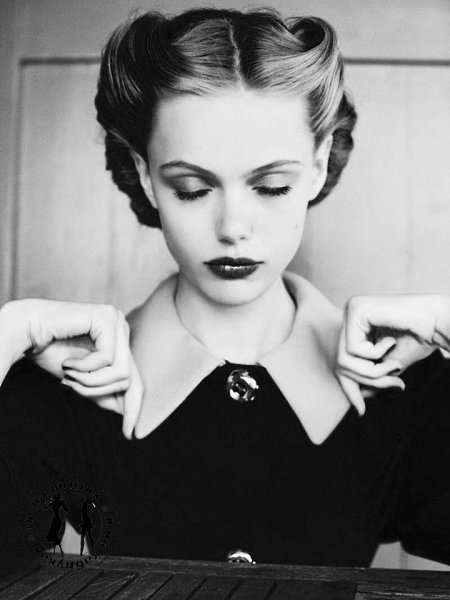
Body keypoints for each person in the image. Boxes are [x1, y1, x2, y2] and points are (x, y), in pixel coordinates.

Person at [0, 7, 449, 570]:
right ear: (146, 176)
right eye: (192, 188)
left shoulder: (401, 386)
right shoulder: (64, 387)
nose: (233, 227)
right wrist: (5, 333)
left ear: (316, 167)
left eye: (272, 185)